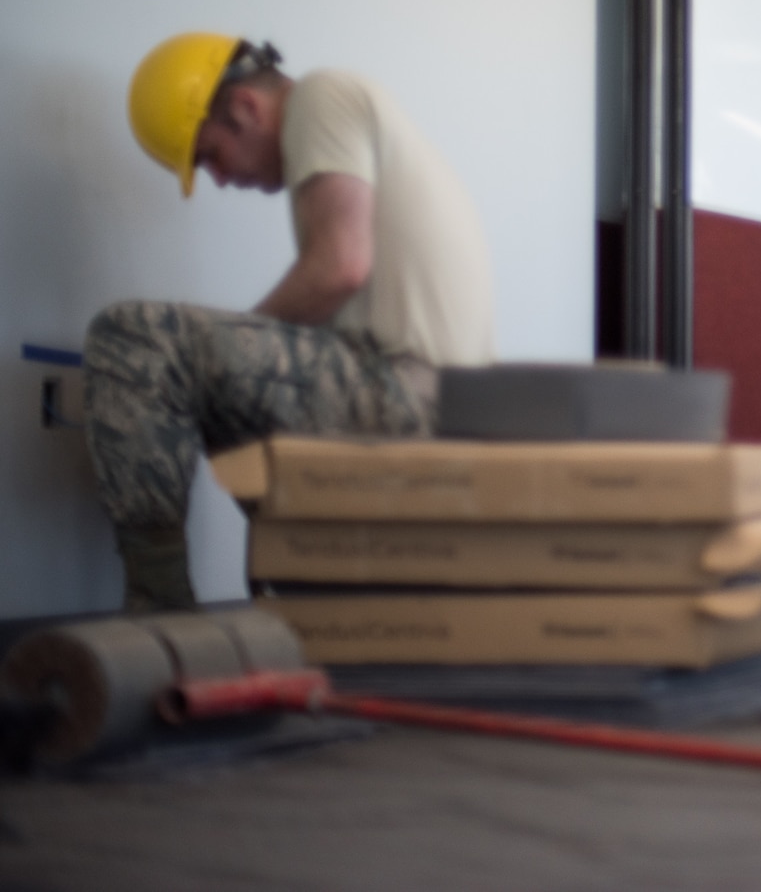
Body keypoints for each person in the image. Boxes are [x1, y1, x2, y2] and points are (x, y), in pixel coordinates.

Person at [85, 34, 494, 609]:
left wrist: (199, 363)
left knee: (136, 337)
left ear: (246, 108)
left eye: (211, 156)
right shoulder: (351, 126)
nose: (221, 179)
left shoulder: (322, 98)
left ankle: (159, 615)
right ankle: (309, 591)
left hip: (410, 397)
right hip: (441, 410)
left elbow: (338, 268)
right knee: (220, 396)